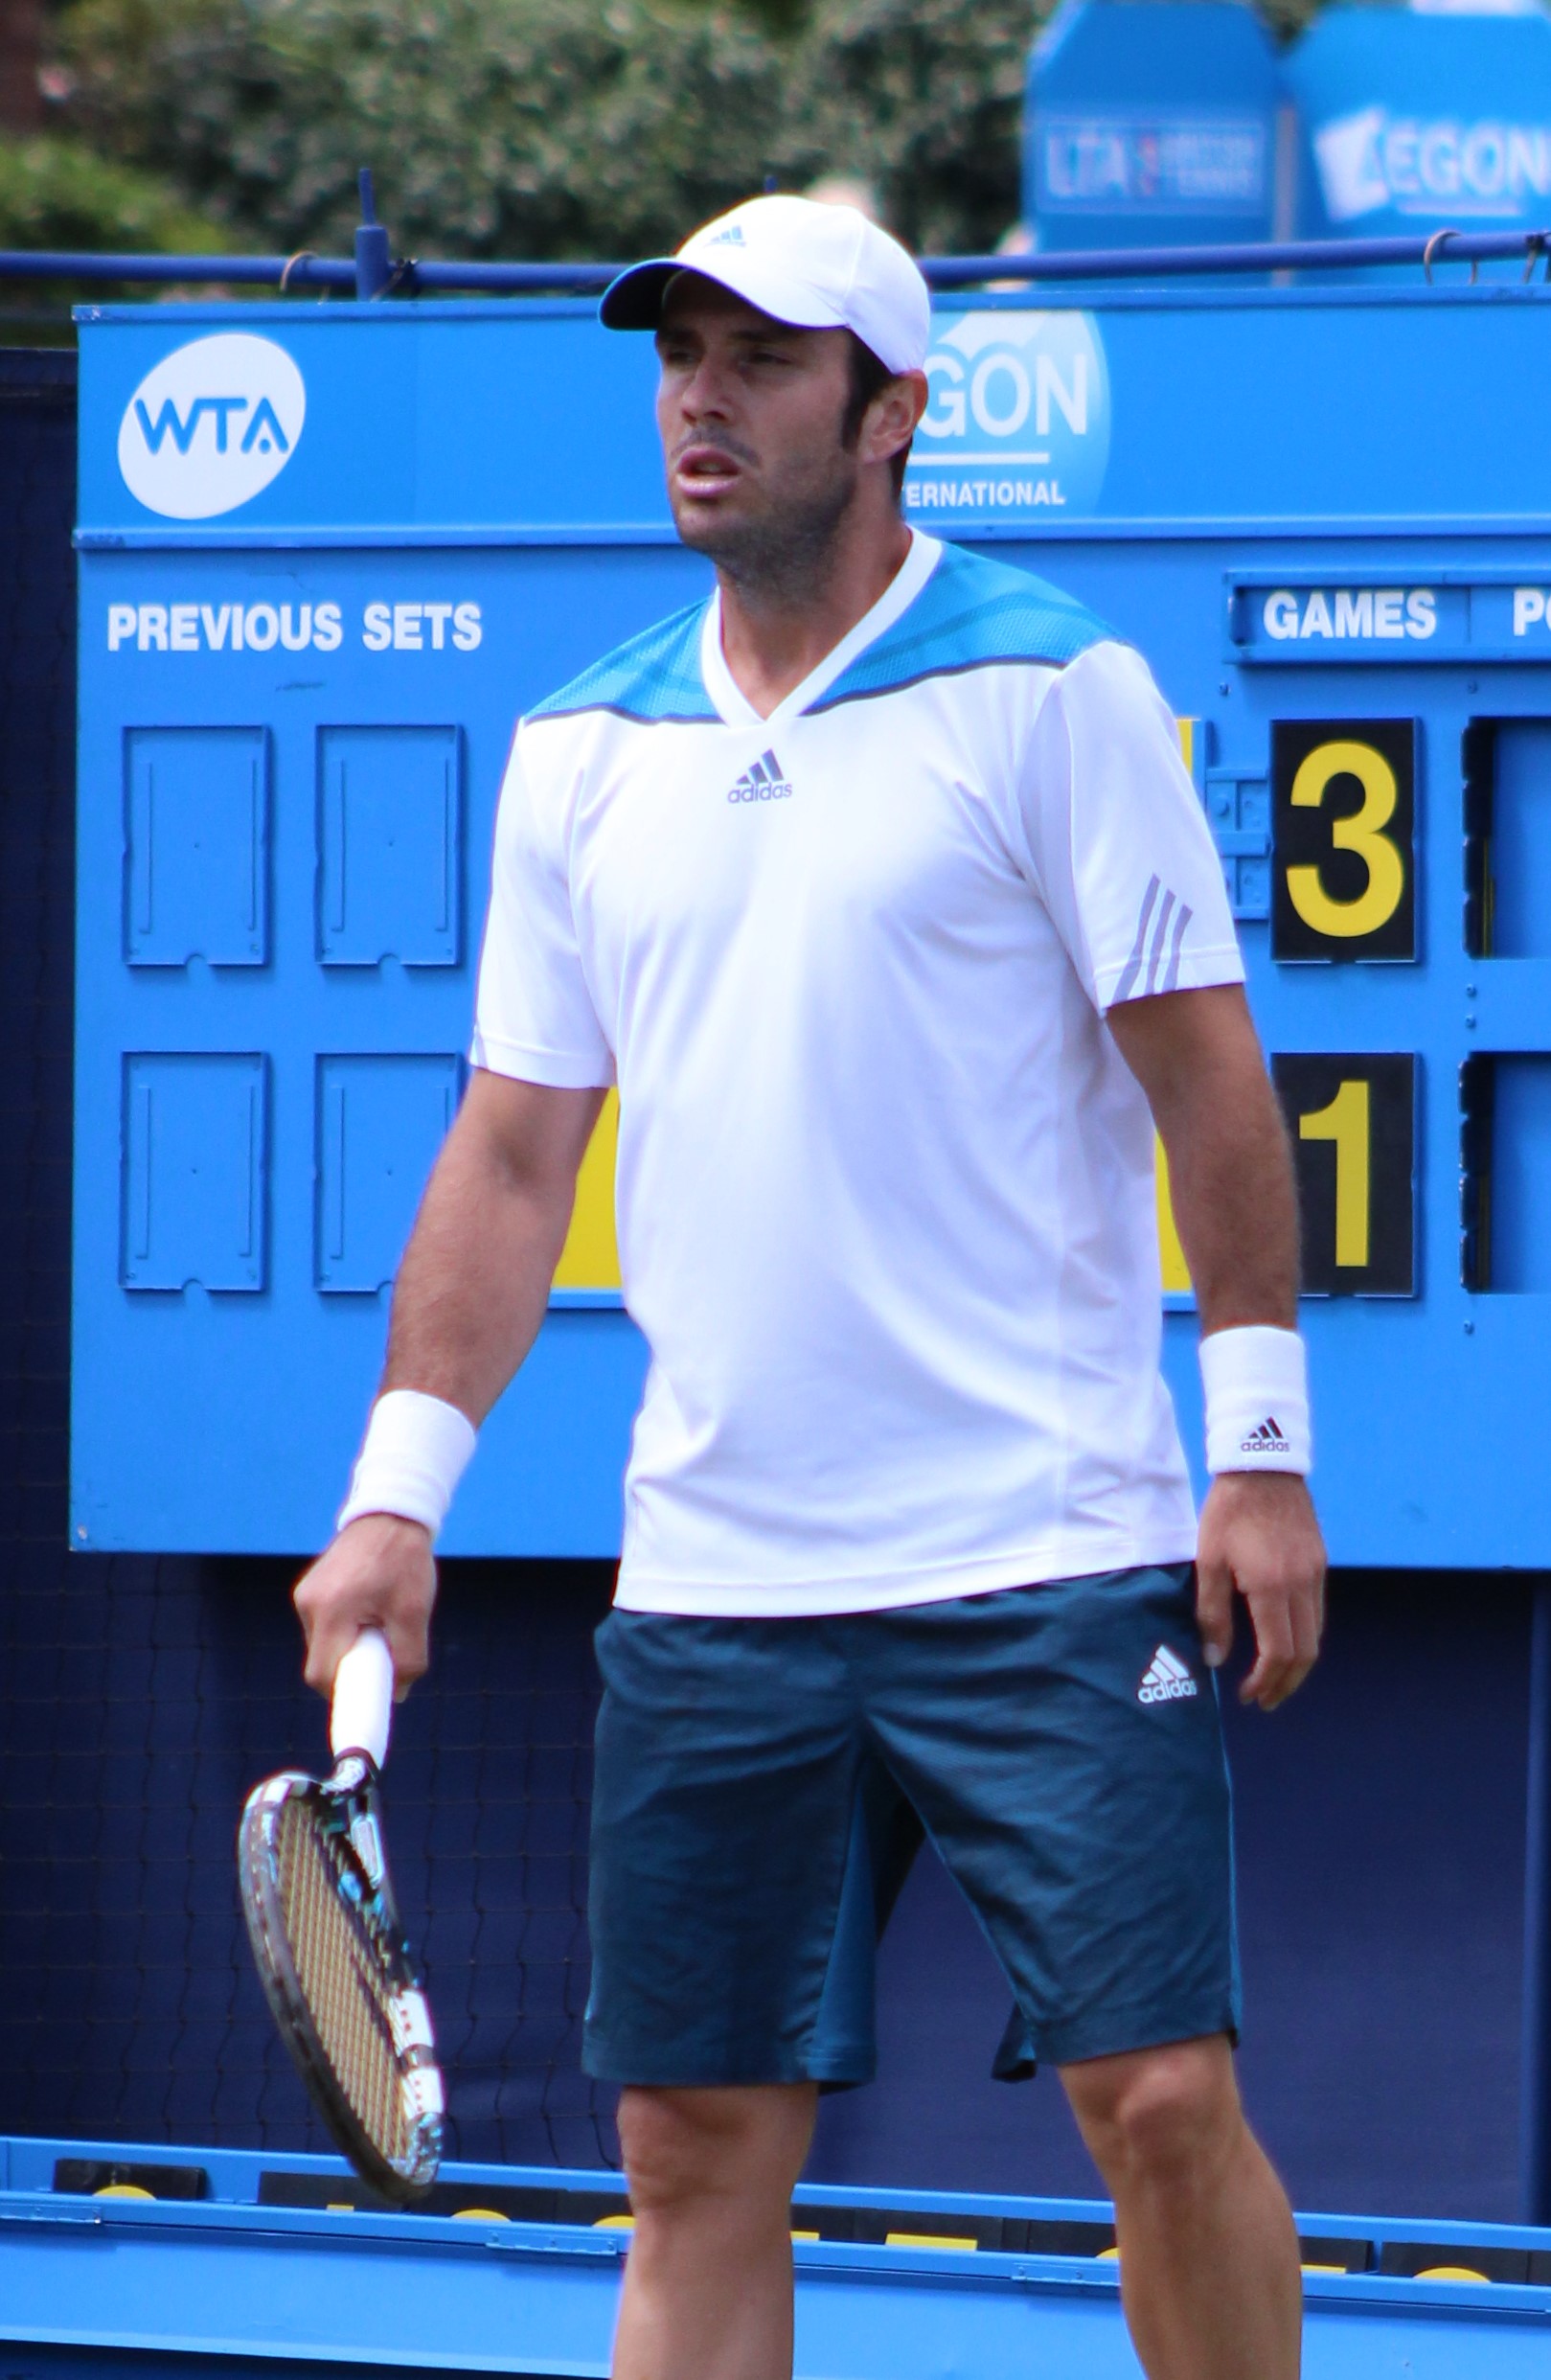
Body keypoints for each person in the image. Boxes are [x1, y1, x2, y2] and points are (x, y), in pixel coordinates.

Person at [294, 194, 1326, 2380]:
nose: (702, 401)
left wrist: (1259, 1450)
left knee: (1162, 2101)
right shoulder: (582, 753)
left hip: (1047, 1554)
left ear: (891, 414)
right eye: (680, 357)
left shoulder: (1056, 689)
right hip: (719, 1585)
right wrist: (396, 1496)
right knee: (688, 2150)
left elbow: (1211, 1082)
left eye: (761, 362)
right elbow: (511, 1156)